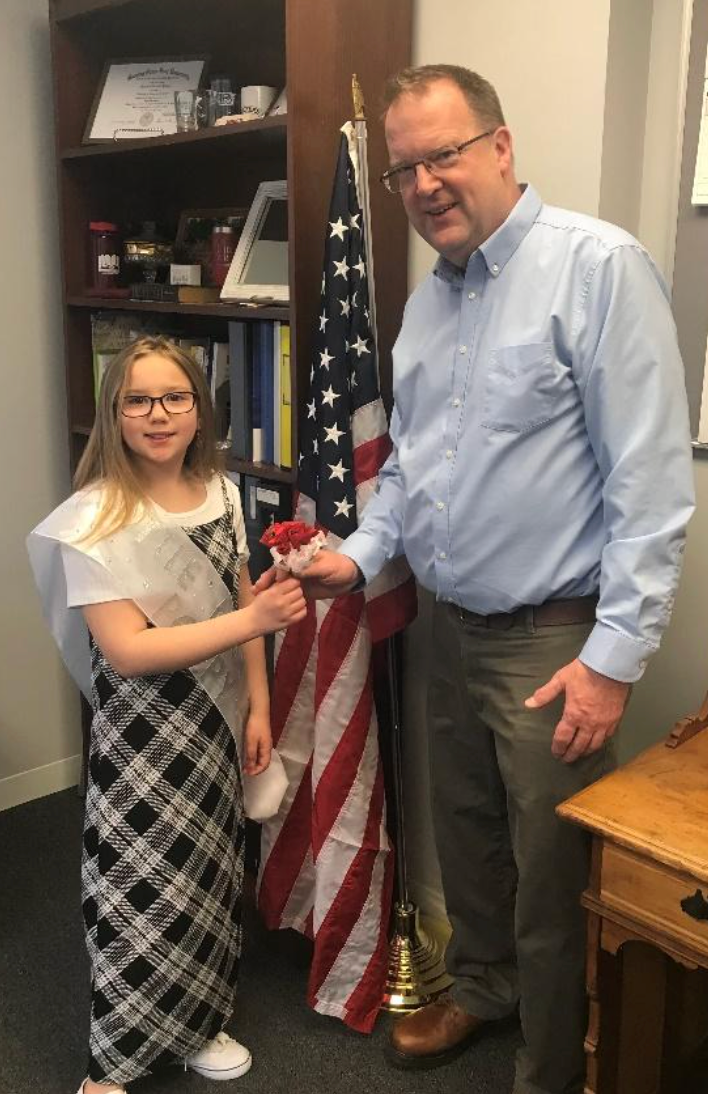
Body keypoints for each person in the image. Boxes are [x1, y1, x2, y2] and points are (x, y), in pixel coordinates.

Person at [255, 65, 695, 1094]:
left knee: (550, 867)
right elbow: (406, 472)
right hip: (445, 625)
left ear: (500, 146)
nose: (424, 183)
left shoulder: (598, 269)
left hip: (553, 641)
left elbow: (652, 486)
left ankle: (550, 1064)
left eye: (442, 154)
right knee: (466, 835)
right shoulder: (429, 310)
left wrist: (612, 661)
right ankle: (486, 988)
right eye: (405, 168)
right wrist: (355, 557)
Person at [27, 336, 307, 1094]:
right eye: (139, 400)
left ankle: (193, 1022)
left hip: (214, 730)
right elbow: (128, 651)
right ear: (115, 411)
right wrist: (255, 628)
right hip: (144, 738)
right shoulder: (92, 520)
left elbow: (240, 594)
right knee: (139, 891)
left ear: (198, 408)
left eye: (175, 398)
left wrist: (258, 701)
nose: (159, 415)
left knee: (209, 885)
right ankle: (108, 1066)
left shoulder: (219, 490)